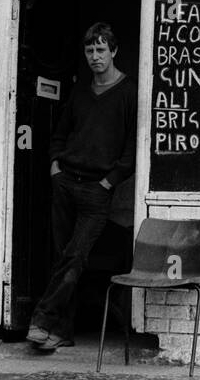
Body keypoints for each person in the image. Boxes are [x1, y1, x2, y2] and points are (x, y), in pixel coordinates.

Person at [27, 22, 136, 352]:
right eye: (90, 51)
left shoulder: (128, 92)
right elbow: (60, 132)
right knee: (62, 257)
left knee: (74, 256)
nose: (95, 57)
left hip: (96, 191)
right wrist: (54, 164)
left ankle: (42, 321)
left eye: (101, 50)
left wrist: (109, 181)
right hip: (65, 183)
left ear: (113, 51)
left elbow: (132, 149)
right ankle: (63, 333)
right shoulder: (79, 91)